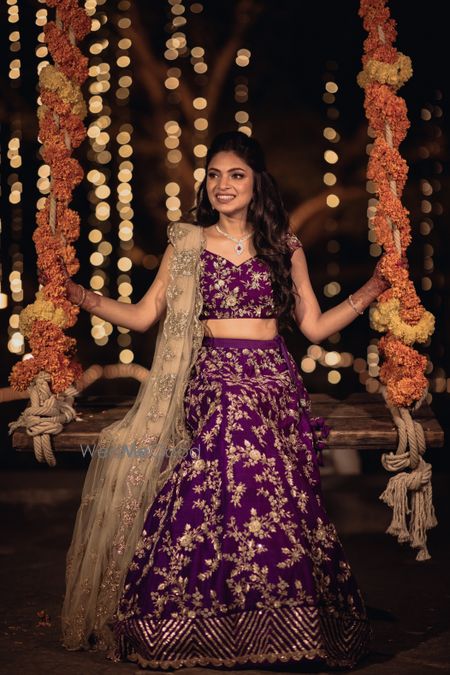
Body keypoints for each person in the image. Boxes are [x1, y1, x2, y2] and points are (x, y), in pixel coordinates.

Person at [58, 131, 390, 669]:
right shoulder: (187, 244)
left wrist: (370, 292)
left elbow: (315, 327)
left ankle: (279, 620)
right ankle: (187, 620)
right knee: (235, 427)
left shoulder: (284, 244)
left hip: (276, 383)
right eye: (213, 175)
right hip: (214, 379)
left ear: (257, 182)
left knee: (252, 466)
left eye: (235, 175)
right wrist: (79, 297)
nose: (222, 185)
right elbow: (145, 316)